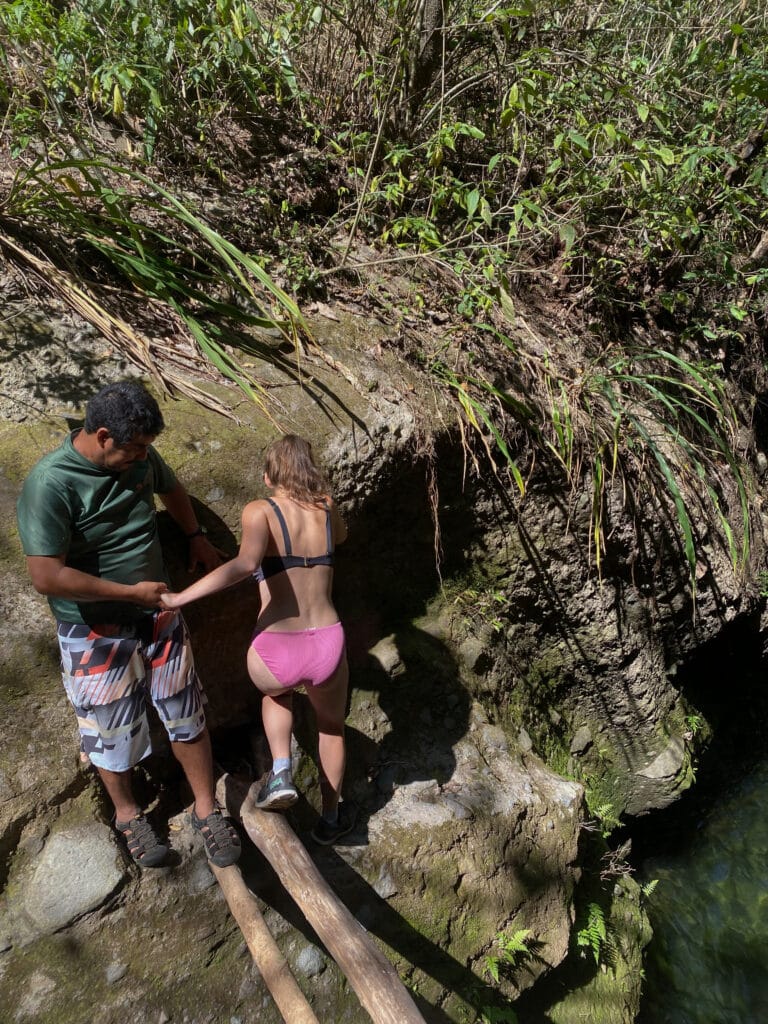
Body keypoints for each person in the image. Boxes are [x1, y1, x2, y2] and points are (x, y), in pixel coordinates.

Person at [16, 381, 241, 869]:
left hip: (159, 612)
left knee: (185, 709)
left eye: (148, 448)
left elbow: (172, 487)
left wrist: (196, 535)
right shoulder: (51, 484)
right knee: (108, 728)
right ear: (101, 436)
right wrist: (127, 593)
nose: (144, 457)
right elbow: (46, 575)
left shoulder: (141, 459)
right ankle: (128, 815)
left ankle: (207, 808)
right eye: (136, 448)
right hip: (95, 628)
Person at [161, 433, 354, 844]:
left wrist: (181, 597)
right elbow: (340, 538)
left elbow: (246, 565)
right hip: (328, 642)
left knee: (276, 695)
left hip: (277, 646)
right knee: (332, 727)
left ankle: (281, 770)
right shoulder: (326, 508)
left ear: (268, 477)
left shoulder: (259, 511)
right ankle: (332, 817)